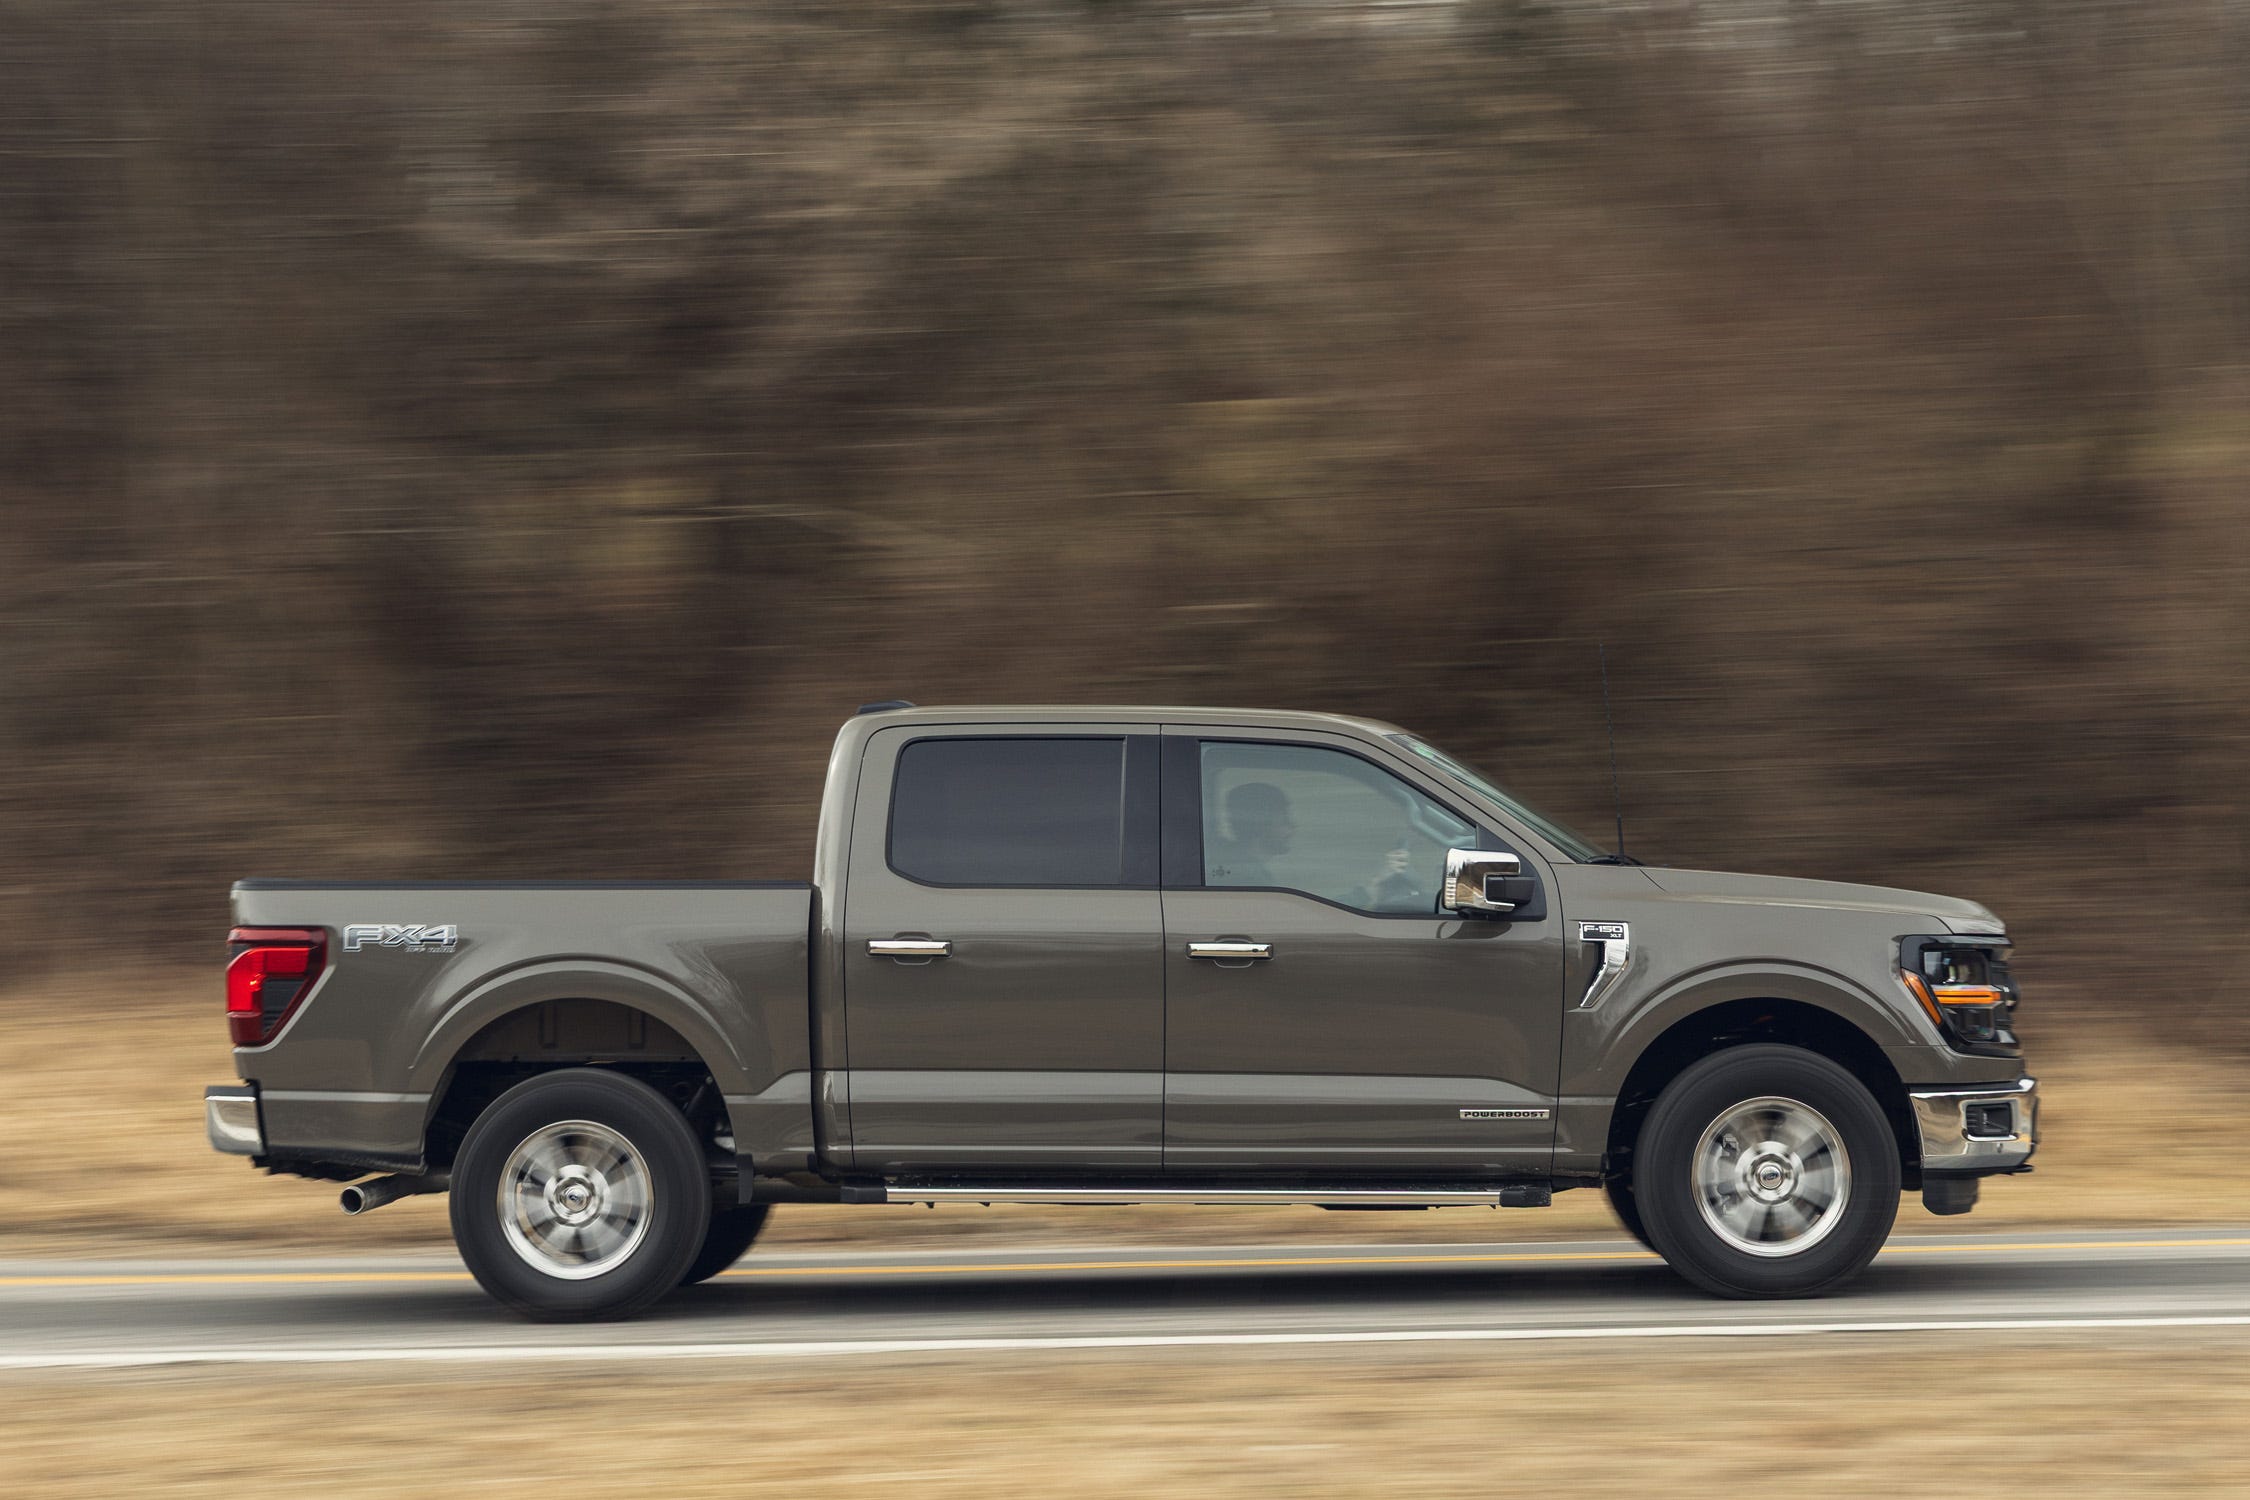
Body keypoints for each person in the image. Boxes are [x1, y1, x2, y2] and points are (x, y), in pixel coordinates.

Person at [1208, 781, 1294, 887]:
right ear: (1261, 825)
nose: (1292, 828)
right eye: (1284, 821)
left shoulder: (1230, 863)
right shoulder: (1248, 880)